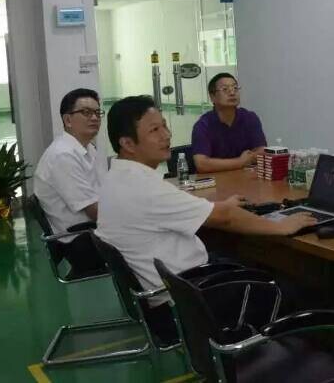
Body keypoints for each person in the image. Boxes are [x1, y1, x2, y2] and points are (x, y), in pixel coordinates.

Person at [95, 95, 315, 307]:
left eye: (164, 126)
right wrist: (280, 226)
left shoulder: (118, 177)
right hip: (192, 298)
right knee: (301, 289)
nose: (167, 135)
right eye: (155, 130)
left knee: (246, 259)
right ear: (128, 143)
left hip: (178, 288)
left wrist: (223, 206)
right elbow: (225, 218)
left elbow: (203, 211)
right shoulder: (144, 186)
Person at [33, 88, 108, 276]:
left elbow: (106, 192)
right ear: (67, 120)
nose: (94, 118)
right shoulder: (63, 155)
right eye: (86, 112)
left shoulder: (87, 148)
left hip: (94, 231)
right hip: (82, 239)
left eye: (97, 112)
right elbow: (94, 211)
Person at [191, 73, 267, 174]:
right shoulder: (203, 125)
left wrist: (250, 157)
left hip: (245, 178)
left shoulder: (250, 118)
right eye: (225, 89)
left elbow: (262, 151)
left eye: (235, 88)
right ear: (212, 97)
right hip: (216, 180)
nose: (232, 93)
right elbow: (202, 164)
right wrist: (241, 162)